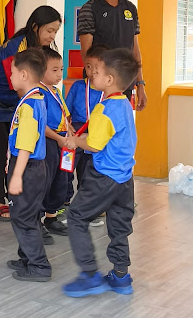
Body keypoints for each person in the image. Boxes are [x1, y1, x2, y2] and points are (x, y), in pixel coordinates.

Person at [0, 6, 62, 223]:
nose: (52, 36)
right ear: (35, 27)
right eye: (49, 30)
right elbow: (22, 85)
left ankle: (15, 196)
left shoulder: (41, 49)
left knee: (16, 149)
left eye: (55, 31)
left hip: (13, 102)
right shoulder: (16, 48)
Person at [62, 48, 139, 297]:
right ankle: (121, 276)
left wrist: (75, 141)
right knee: (119, 224)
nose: (91, 73)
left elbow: (94, 145)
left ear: (110, 79)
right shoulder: (124, 104)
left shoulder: (103, 109)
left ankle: (89, 275)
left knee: (76, 217)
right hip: (125, 178)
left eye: (96, 71)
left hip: (104, 176)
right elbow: (108, 136)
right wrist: (84, 137)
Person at [77, 0, 147, 110]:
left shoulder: (130, 8)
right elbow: (86, 52)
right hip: (99, 86)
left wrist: (140, 83)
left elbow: (135, 49)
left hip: (124, 84)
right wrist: (97, 80)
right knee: (98, 123)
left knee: (119, 123)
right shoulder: (89, 9)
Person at [7, 48, 51, 282]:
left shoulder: (29, 106)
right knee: (29, 214)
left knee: (22, 217)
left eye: (12, 72)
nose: (10, 77)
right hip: (34, 167)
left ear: (24, 75)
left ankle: (39, 266)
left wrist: (16, 175)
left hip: (27, 168)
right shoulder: (37, 99)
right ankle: (26, 257)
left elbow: (25, 144)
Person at [65, 45, 107, 226]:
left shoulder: (108, 91)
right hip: (77, 130)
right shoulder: (78, 86)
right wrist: (67, 126)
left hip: (96, 133)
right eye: (89, 66)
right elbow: (66, 111)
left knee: (89, 170)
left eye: (97, 67)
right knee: (67, 167)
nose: (92, 71)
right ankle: (64, 200)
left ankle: (89, 204)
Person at [40, 47, 70, 239]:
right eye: (54, 70)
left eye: (61, 69)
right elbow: (39, 124)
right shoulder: (38, 93)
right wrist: (59, 139)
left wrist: (70, 132)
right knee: (45, 180)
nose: (59, 74)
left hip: (61, 141)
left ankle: (51, 217)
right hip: (48, 142)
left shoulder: (57, 92)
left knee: (60, 179)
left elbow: (65, 116)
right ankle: (36, 220)